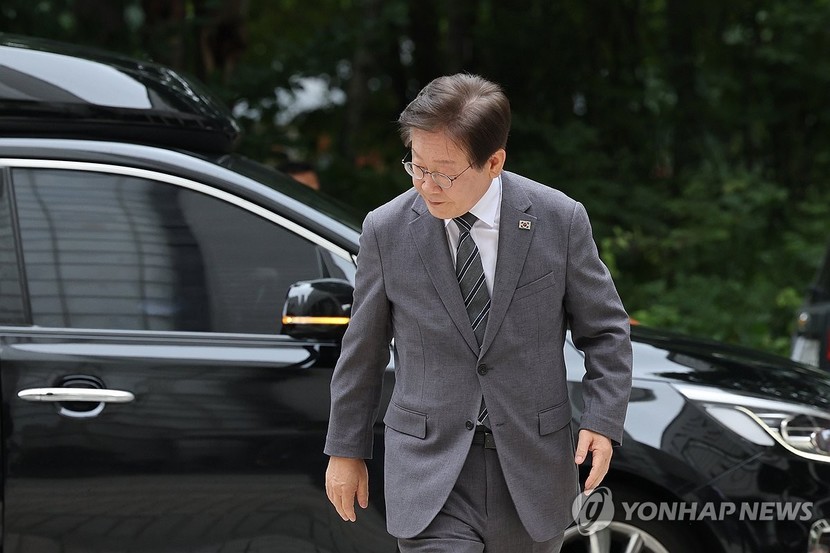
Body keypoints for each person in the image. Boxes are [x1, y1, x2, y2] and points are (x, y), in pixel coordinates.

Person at [324, 73, 632, 553]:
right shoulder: (386, 229)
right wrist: (346, 449)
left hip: (531, 469)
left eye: (443, 172)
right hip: (429, 470)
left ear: (494, 162)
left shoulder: (559, 219)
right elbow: (362, 349)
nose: (426, 185)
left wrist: (602, 419)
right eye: (416, 166)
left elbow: (606, 331)